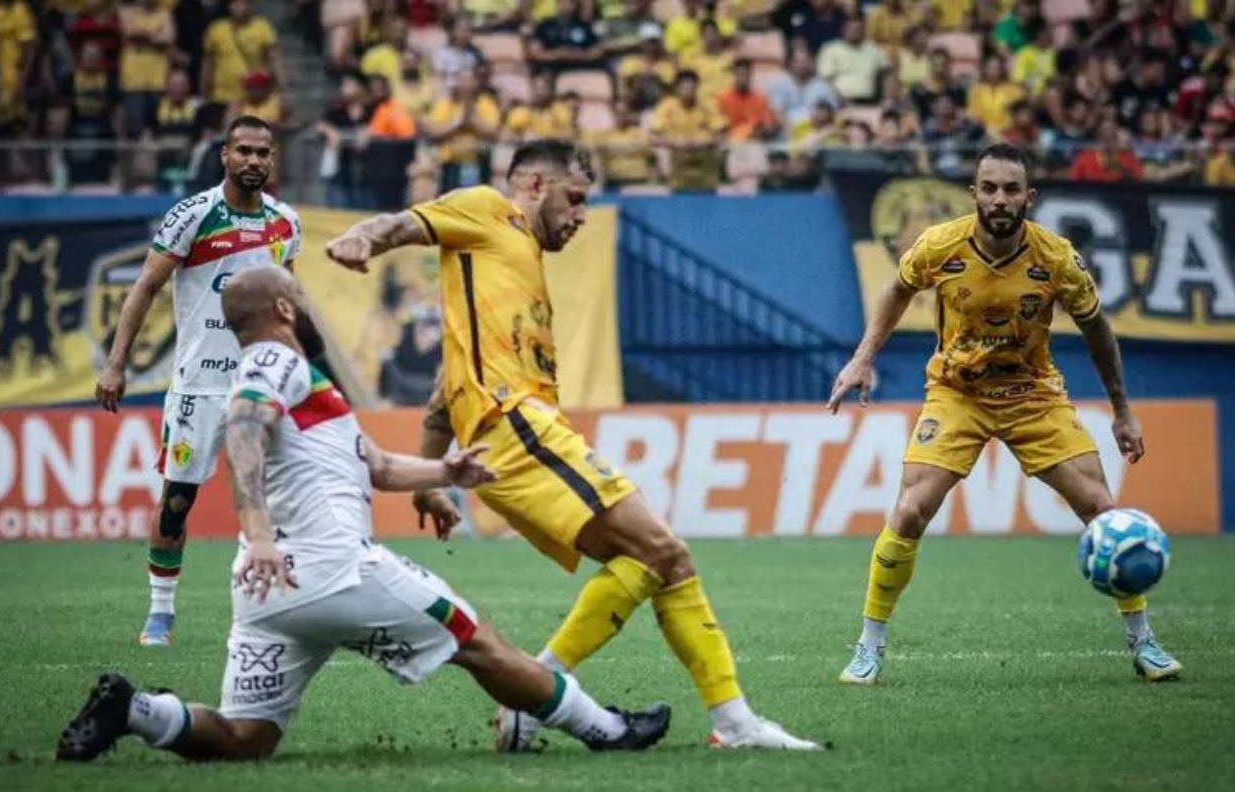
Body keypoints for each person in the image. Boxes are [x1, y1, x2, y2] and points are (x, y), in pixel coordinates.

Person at [326, 139, 827, 751]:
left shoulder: (510, 265)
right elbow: (404, 222)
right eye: (575, 198)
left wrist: (434, 476)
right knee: (660, 548)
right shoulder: (486, 209)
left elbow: (443, 390)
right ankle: (578, 698)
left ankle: (692, 714)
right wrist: (364, 239)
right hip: (517, 429)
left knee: (660, 561)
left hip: (516, 437)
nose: (582, 215)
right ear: (535, 185)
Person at [57, 267, 671, 762]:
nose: (306, 304)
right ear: (285, 310)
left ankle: (133, 709)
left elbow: (373, 466)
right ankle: (608, 730)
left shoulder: (308, 386)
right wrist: (259, 531)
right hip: (335, 569)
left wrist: (444, 474)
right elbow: (243, 427)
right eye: (298, 294)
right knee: (477, 640)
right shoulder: (276, 362)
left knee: (246, 738)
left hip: (270, 593)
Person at [828, 143, 1183, 686]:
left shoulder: (1056, 258)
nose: (999, 199)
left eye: (1011, 189)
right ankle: (869, 645)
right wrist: (863, 357)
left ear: (1029, 197)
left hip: (1032, 394)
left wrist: (1121, 410)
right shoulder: (938, 245)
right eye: (989, 188)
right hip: (957, 392)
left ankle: (1144, 642)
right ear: (974, 194)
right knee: (909, 512)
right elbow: (898, 289)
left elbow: (1098, 330)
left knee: (1102, 508)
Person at [95, 116, 302, 647]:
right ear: (224, 156)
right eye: (244, 151)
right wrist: (118, 364)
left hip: (264, 382)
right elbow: (144, 288)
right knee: (179, 499)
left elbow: (287, 305)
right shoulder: (193, 215)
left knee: (278, 498)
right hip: (200, 383)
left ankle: (276, 609)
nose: (254, 161)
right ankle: (160, 611)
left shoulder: (286, 224)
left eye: (264, 152)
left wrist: (300, 369)